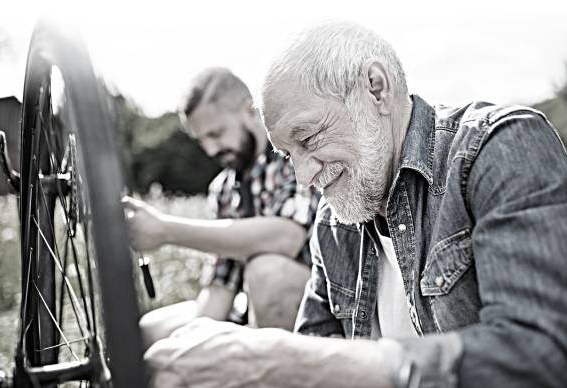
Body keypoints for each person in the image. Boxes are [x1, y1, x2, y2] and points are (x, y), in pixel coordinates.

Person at [143, 22, 567, 388]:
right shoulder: (333, 223)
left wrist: (284, 359)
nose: (303, 176)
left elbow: (541, 358)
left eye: (308, 139)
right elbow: (316, 347)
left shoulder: (498, 149)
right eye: (288, 155)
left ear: (375, 89)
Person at [123, 67, 319, 348]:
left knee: (267, 273)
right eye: (201, 140)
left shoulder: (292, 158)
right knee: (147, 332)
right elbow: (220, 289)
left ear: (250, 110)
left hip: (316, 308)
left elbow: (285, 237)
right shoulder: (224, 189)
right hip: (246, 308)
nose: (211, 150)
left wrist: (166, 230)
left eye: (216, 134)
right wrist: (184, 349)